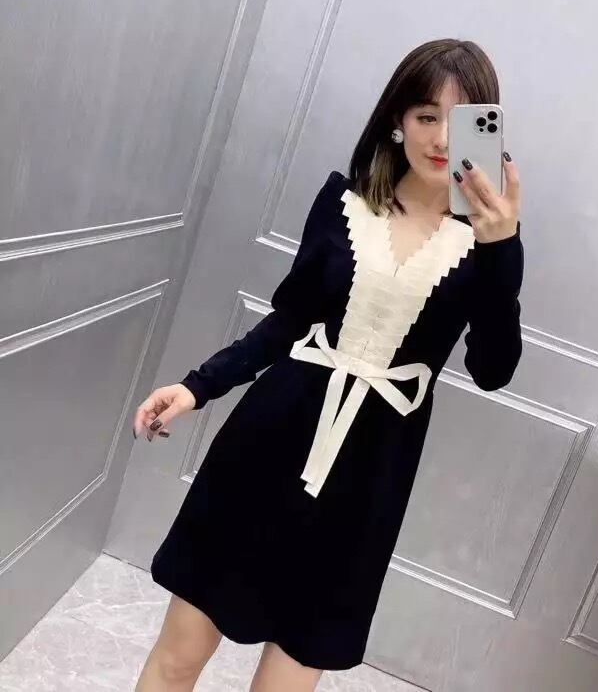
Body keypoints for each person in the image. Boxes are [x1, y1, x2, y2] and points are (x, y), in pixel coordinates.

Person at [132, 37, 524, 692]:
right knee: (178, 657)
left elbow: (492, 368)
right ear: (397, 120)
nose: (439, 138)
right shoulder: (344, 204)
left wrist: (501, 249)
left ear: (485, 133)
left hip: (366, 483)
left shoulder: (487, 245)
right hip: (267, 444)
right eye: (426, 115)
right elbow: (287, 321)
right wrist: (197, 387)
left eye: (460, 123)